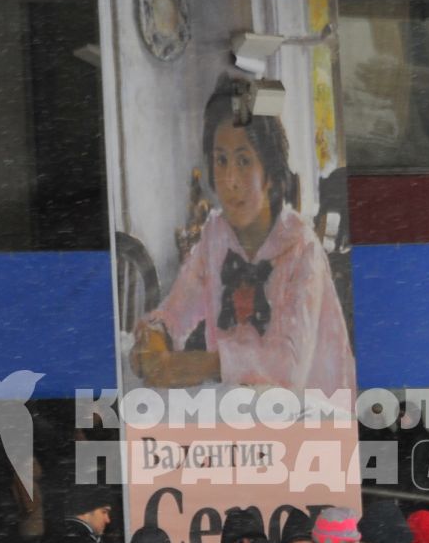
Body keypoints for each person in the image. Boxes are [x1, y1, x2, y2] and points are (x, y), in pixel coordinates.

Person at [131, 79, 357, 395]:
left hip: (311, 417)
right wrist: (155, 337)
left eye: (243, 160)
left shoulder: (302, 247)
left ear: (270, 173)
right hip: (240, 410)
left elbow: (288, 368)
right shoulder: (215, 236)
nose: (229, 180)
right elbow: (176, 309)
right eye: (221, 160)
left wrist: (199, 365)